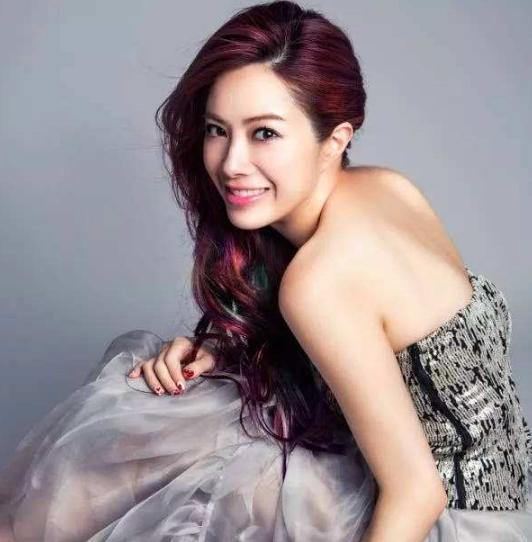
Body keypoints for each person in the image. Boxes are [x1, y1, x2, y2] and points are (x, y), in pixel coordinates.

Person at [0, 1, 531, 540]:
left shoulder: (319, 283)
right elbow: (384, 346)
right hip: (504, 485)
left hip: (441, 520)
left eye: (265, 134)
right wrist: (225, 349)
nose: (231, 164)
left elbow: (418, 492)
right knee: (172, 416)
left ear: (335, 139)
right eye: (217, 130)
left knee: (133, 442)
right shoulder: (388, 187)